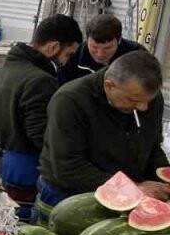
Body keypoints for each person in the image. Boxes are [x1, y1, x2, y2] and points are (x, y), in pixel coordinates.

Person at [39, 51, 170, 214]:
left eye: (148, 101)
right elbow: (68, 167)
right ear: (109, 86)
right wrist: (132, 189)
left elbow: (152, 147)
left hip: (128, 194)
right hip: (68, 196)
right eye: (133, 100)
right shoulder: (69, 101)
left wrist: (164, 178)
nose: (143, 107)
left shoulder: (146, 97)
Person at [0, 14, 82, 217]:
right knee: (24, 224)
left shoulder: (2, 69)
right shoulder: (41, 80)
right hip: (26, 168)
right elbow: (40, 134)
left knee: (3, 218)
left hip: (0, 160)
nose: (67, 61)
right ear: (54, 47)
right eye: (68, 54)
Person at [59, 13, 145, 85]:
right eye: (94, 47)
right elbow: (63, 84)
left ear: (119, 41)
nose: (100, 54)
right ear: (87, 40)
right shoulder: (77, 53)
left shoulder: (137, 56)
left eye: (107, 48)